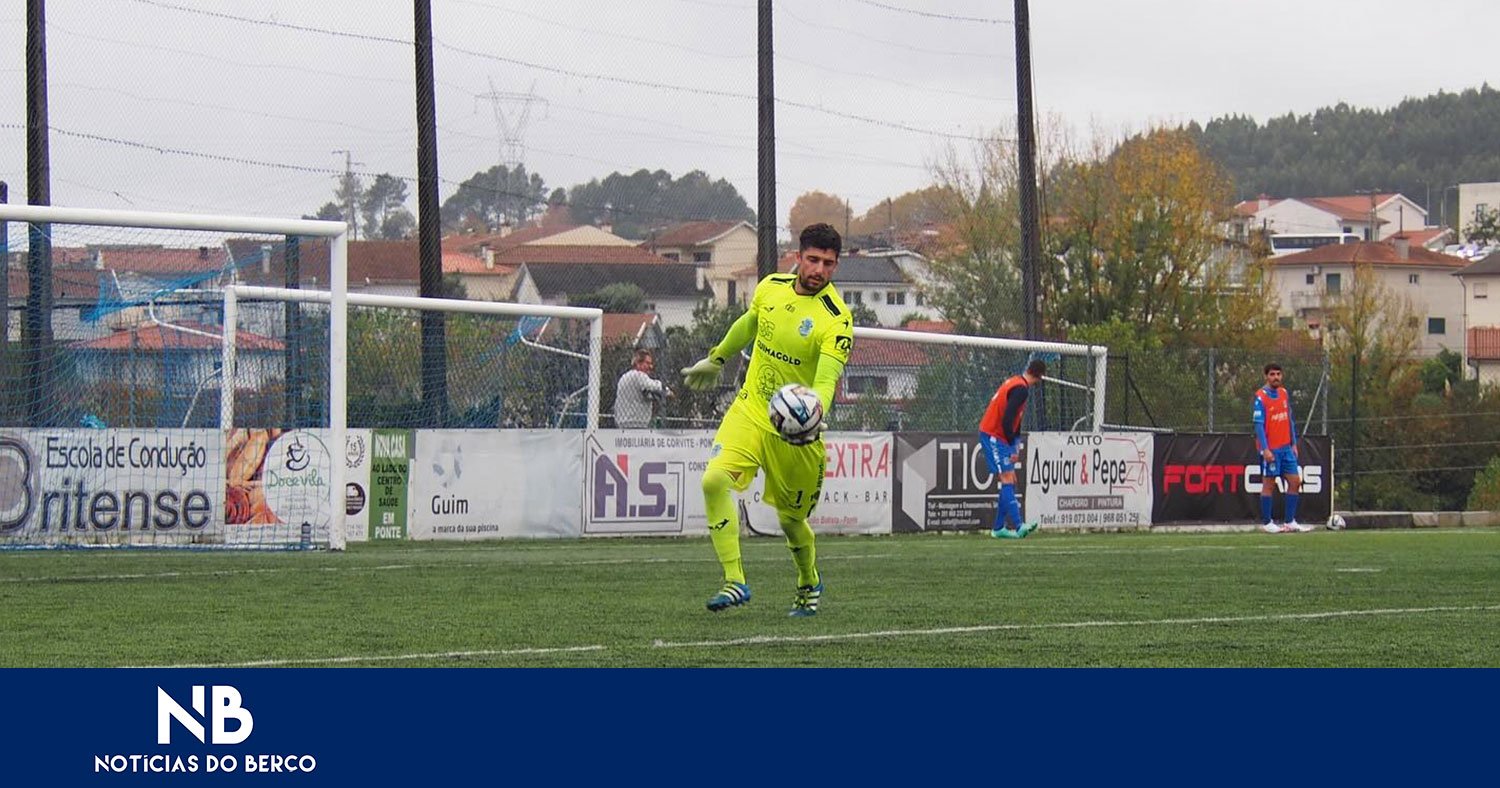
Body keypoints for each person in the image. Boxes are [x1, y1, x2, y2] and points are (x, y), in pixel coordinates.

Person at [680, 222, 853, 616]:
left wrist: (815, 410)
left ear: (835, 266)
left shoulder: (836, 319)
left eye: (828, 264)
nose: (819, 270)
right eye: (813, 260)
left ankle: (809, 582)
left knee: (791, 521)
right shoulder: (770, 287)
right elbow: (751, 324)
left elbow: (826, 378)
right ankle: (735, 580)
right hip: (751, 409)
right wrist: (717, 357)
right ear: (798, 257)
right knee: (713, 481)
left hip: (796, 435)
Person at [977, 359, 1046, 539]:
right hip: (993, 434)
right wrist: (1010, 446)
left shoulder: (1016, 382)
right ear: (1039, 377)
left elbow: (1015, 419)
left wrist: (1014, 445)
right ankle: (1018, 525)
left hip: (999, 436)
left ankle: (999, 528)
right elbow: (1008, 419)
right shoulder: (1021, 390)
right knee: (1007, 477)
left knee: (1010, 478)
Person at [1253, 362, 1312, 533]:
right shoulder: (1260, 397)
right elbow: (1258, 426)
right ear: (1266, 376)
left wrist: (1293, 443)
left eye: (1278, 374)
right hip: (1271, 449)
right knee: (1269, 485)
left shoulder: (1284, 393)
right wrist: (1265, 449)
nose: (1276, 377)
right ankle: (1267, 523)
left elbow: (1289, 420)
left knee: (1295, 481)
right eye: (1272, 374)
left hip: (1286, 448)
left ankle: (1290, 521)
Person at [614, 349, 671, 429]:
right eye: (647, 363)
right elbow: (654, 386)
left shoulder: (624, 377)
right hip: (636, 424)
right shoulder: (639, 375)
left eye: (651, 363)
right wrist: (668, 391)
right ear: (638, 363)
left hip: (621, 423)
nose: (651, 367)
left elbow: (641, 394)